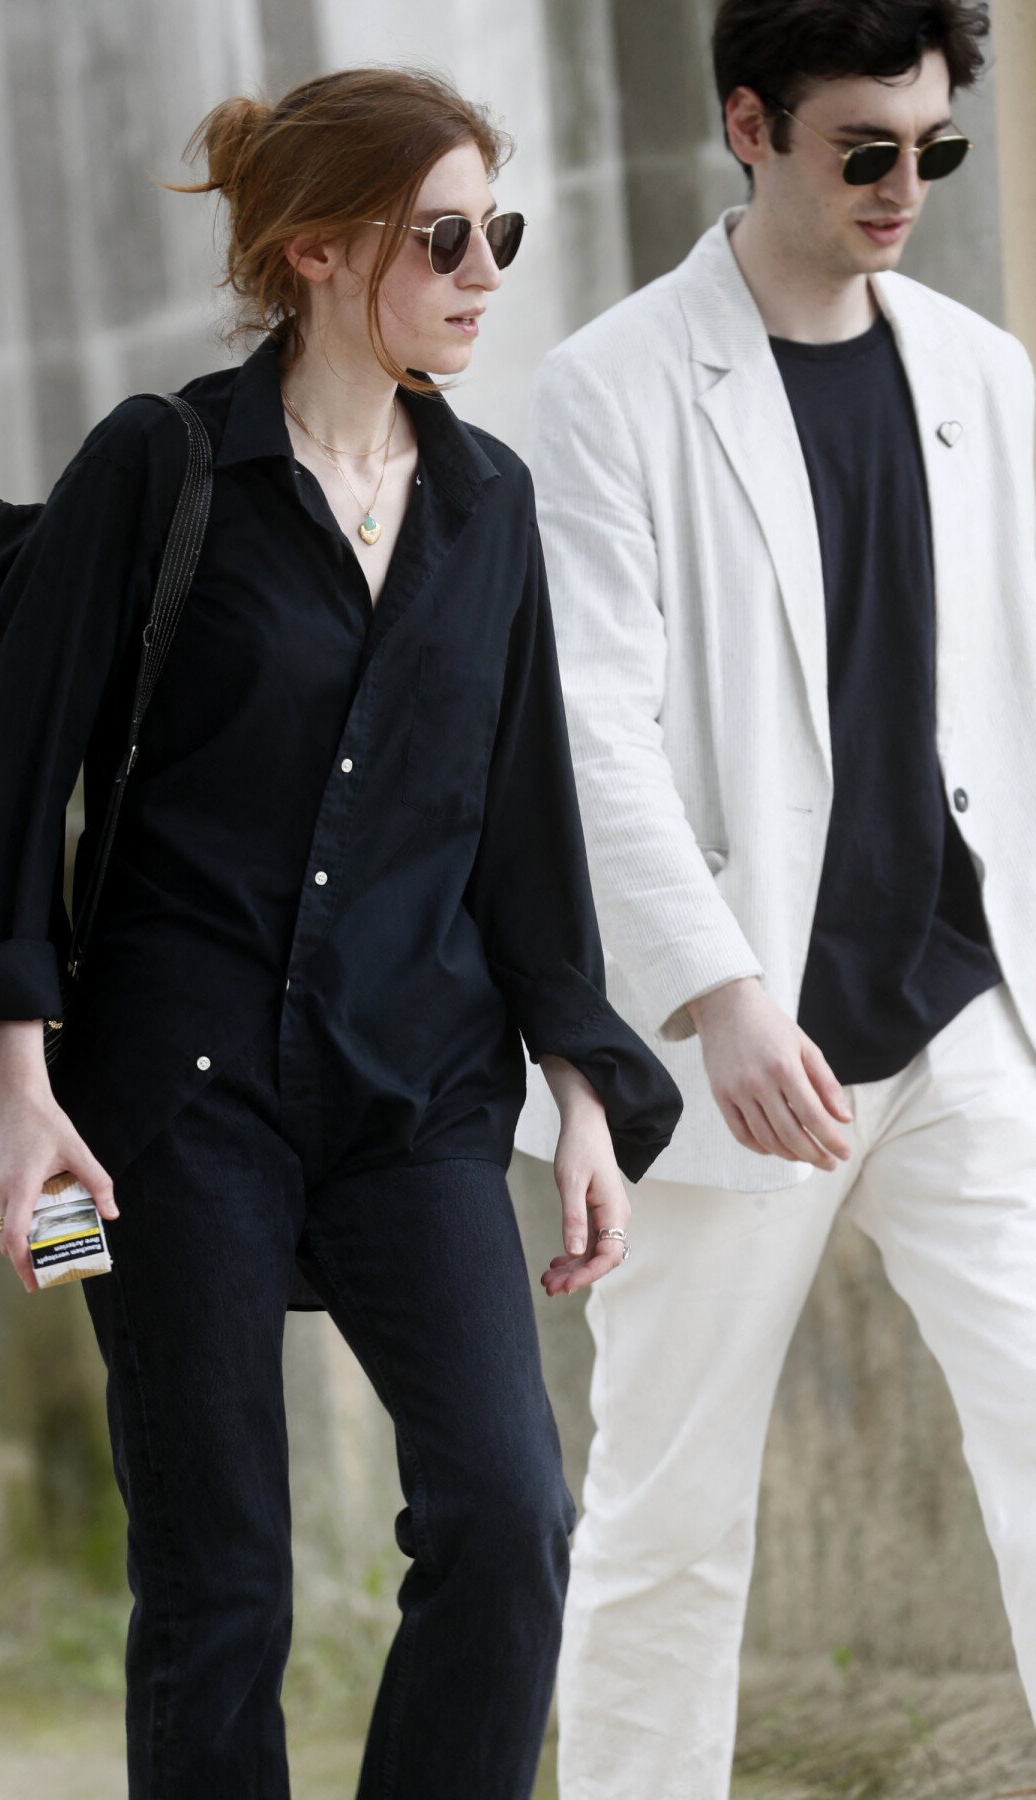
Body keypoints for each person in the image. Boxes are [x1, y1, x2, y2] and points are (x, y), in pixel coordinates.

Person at [0, 66, 681, 1800]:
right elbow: (22, 788)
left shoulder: (491, 506)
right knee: (220, 1582)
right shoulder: (162, 468)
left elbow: (526, 828)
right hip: (164, 1111)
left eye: (504, 231)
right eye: (448, 237)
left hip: (413, 1093)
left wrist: (581, 1093)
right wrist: (21, 1089)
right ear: (322, 249)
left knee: (509, 1514)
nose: (490, 269)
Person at [513, 2, 1036, 1794]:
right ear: (750, 122)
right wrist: (718, 994)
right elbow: (592, 725)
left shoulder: (985, 374)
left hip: (967, 1008)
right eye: (863, 150)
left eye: (934, 149)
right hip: (740, 1043)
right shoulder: (607, 389)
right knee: (669, 1510)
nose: (906, 189)